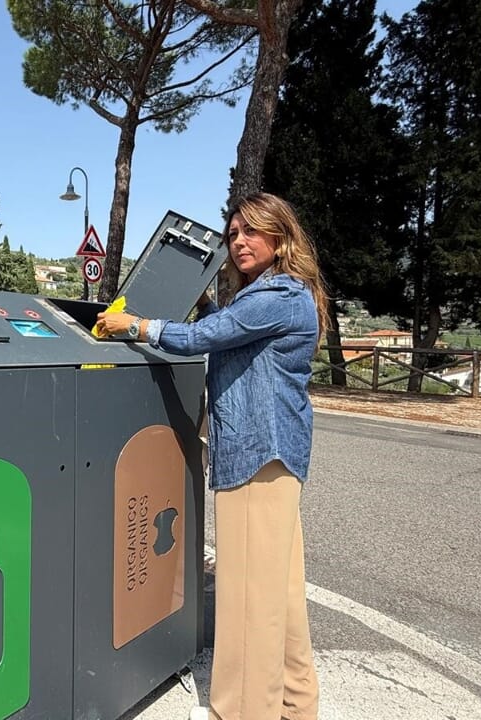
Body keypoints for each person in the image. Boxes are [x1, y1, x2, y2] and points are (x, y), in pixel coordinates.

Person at [96, 192, 328, 720]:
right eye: (233, 233)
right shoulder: (281, 293)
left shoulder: (276, 295)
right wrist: (202, 300)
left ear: (280, 237)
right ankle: (294, 706)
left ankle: (240, 712)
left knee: (248, 601)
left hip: (255, 457)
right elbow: (228, 330)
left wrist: (136, 326)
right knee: (279, 598)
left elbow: (206, 337)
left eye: (251, 231)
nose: (238, 242)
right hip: (274, 458)